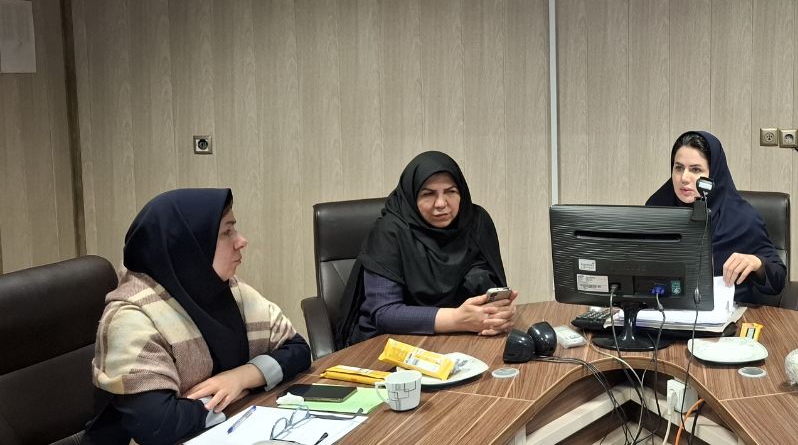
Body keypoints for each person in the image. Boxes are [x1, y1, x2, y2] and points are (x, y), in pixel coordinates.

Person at [84, 189, 311, 444]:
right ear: (188, 245)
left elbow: (298, 349)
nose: (241, 240)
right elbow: (158, 425)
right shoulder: (131, 317)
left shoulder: (227, 289)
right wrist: (229, 398)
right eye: (227, 232)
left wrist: (241, 378)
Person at [335, 151, 516, 347]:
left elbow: (490, 286)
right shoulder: (389, 231)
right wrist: (455, 318)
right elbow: (384, 313)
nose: (441, 204)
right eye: (428, 194)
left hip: (464, 337)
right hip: (392, 343)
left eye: (450, 191)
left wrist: (499, 312)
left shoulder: (476, 222)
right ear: (412, 195)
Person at [645, 130, 787, 303]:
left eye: (696, 169)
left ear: (714, 174)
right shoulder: (656, 209)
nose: (684, 178)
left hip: (729, 314)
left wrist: (758, 264)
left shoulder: (742, 219)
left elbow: (778, 279)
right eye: (679, 168)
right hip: (663, 310)